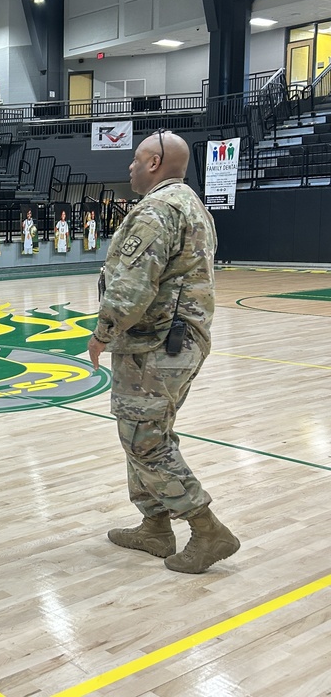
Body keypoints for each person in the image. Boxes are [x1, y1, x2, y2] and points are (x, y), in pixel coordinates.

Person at [88, 129, 239, 574]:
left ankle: (207, 529)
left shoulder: (157, 209)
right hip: (179, 343)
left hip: (155, 346)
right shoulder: (192, 204)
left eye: (136, 159)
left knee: (145, 440)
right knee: (148, 433)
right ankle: (155, 527)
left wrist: (102, 333)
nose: (130, 166)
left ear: (154, 163)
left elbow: (133, 285)